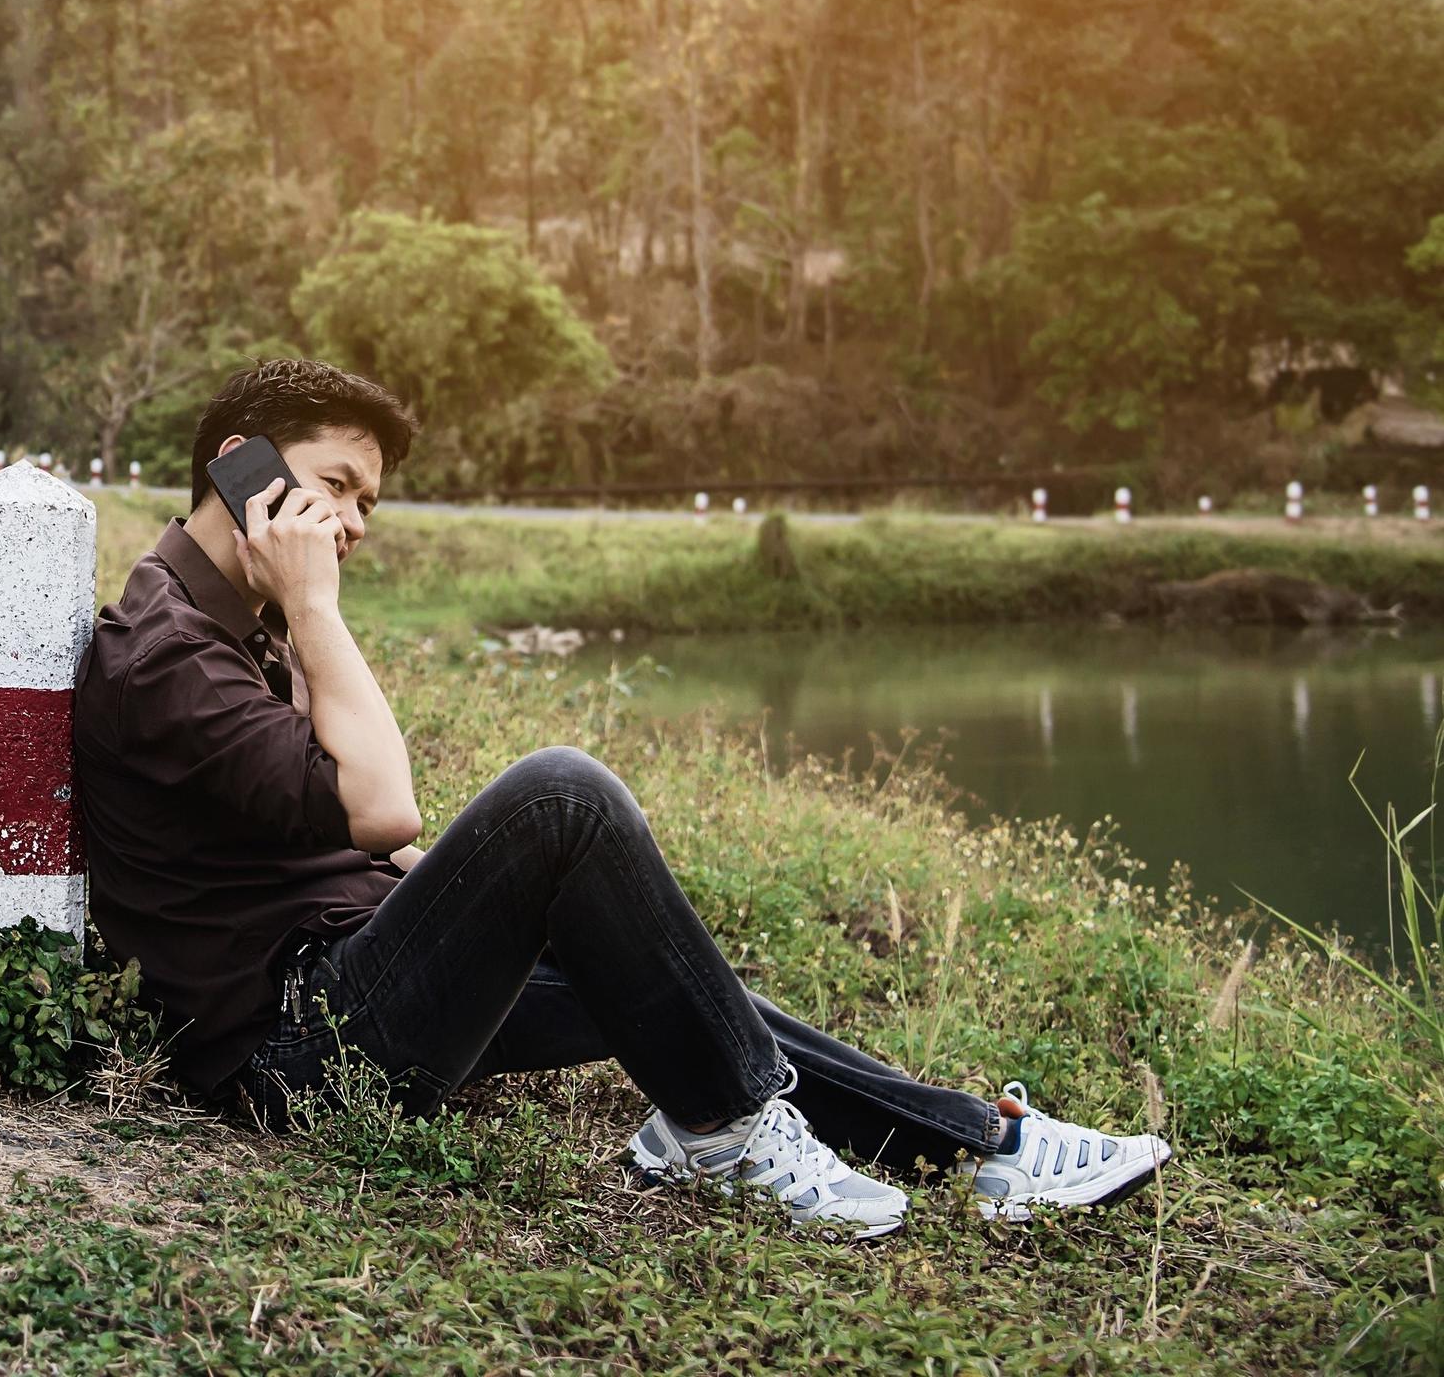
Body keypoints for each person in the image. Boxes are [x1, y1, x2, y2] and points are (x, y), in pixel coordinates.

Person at [73, 359, 1168, 1235]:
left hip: (351, 973)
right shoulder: (168, 650)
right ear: (239, 468)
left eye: (367, 503)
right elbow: (378, 807)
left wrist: (302, 618)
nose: (354, 524)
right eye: (337, 486)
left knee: (659, 973)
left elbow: (320, 830)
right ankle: (721, 1124)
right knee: (561, 795)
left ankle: (978, 1147)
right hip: (294, 1056)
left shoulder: (234, 615)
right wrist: (316, 609)